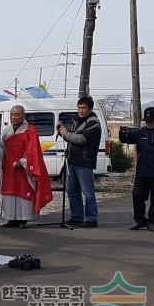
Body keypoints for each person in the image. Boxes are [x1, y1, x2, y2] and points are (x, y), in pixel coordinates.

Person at [0, 105, 53, 228]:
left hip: (23, 170)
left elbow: (33, 152)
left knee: (23, 191)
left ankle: (23, 219)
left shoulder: (30, 131)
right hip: (9, 167)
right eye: (12, 115)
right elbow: (0, 147)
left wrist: (22, 162)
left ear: (23, 116)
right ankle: (11, 219)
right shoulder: (6, 131)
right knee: (9, 192)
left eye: (16, 114)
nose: (13, 117)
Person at [119, 107, 154, 232]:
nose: (149, 123)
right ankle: (140, 220)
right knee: (137, 195)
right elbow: (125, 139)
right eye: (146, 121)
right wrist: (122, 132)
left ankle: (152, 221)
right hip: (142, 171)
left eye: (151, 121)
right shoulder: (140, 133)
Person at [58, 96, 102, 228]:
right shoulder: (78, 121)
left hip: (84, 161)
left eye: (83, 108)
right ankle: (77, 217)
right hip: (72, 160)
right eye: (79, 107)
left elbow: (82, 139)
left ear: (90, 108)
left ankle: (91, 218)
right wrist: (63, 132)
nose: (80, 110)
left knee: (88, 192)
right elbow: (73, 138)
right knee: (72, 191)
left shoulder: (93, 123)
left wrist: (66, 134)